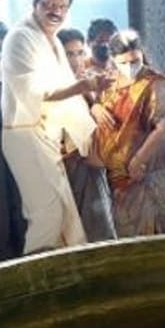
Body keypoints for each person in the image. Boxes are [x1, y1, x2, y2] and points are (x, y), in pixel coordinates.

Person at [0, 0, 110, 254]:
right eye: (49, 4)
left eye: (62, 6)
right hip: (25, 134)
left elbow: (66, 90)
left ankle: (62, 284)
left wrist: (89, 97)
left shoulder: (51, 41)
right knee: (46, 216)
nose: (55, 11)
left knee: (67, 219)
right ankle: (32, 284)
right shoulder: (20, 37)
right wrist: (84, 86)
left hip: (48, 138)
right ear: (35, 4)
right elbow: (35, 90)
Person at [91, 31, 165, 237]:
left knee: (153, 236)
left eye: (135, 61)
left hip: (147, 175)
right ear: (113, 60)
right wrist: (95, 108)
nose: (130, 68)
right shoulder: (109, 84)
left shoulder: (156, 84)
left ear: (141, 55)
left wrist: (139, 159)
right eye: (123, 63)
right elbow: (98, 107)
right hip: (114, 180)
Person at [56, 27, 117, 242]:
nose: (76, 59)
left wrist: (95, 102)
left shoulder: (92, 79)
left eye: (80, 52)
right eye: (69, 54)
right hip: (66, 164)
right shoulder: (53, 85)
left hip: (94, 163)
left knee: (101, 225)